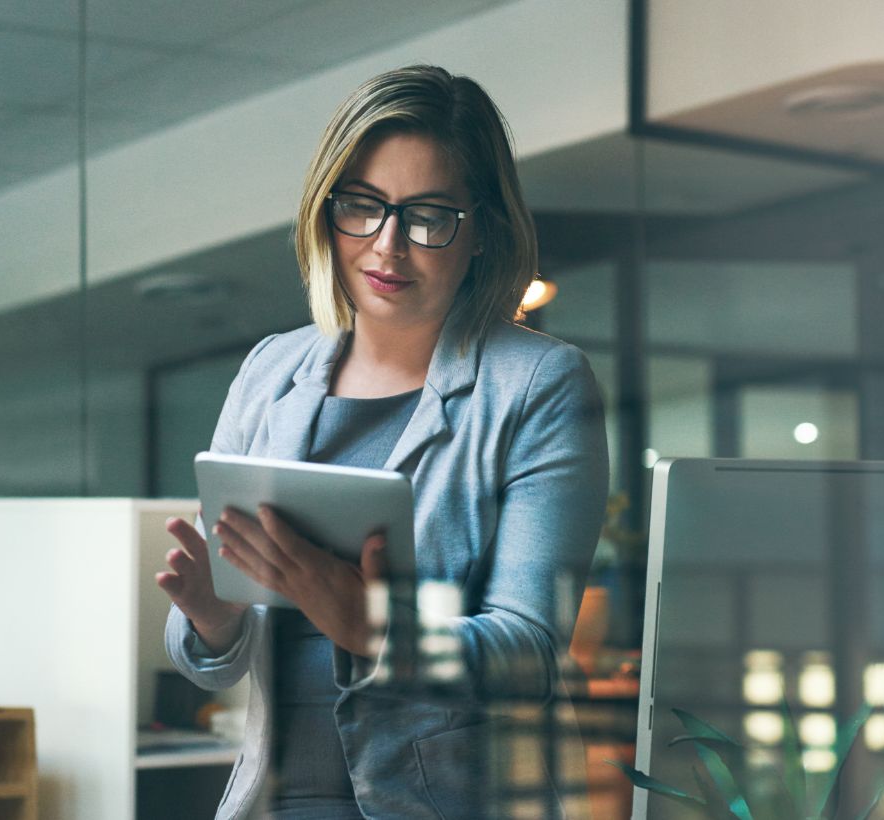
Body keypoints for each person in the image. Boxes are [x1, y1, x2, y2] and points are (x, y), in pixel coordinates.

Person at [157, 64, 609, 819]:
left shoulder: (539, 384)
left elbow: (527, 652)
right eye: (362, 207)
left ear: (483, 233)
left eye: (428, 216)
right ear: (325, 210)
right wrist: (211, 615)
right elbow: (210, 662)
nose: (387, 246)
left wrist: (378, 628)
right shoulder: (271, 372)